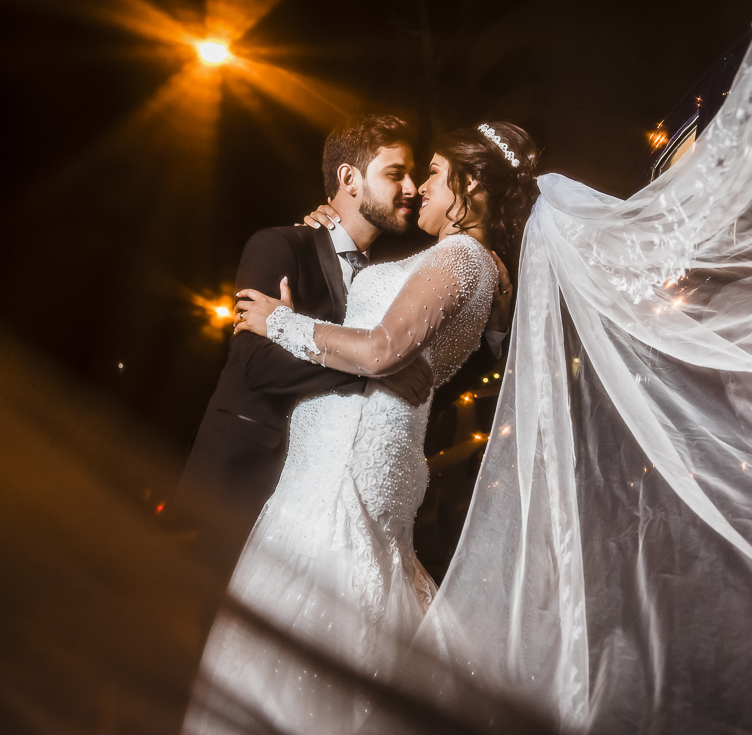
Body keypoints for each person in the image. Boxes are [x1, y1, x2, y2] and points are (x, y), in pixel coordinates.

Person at [182, 122, 540, 735]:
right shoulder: (461, 264)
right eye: (402, 173)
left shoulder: (460, 257)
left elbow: (378, 351)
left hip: (348, 460)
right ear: (348, 180)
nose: (417, 188)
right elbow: (370, 355)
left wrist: (280, 322)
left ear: (470, 184)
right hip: (342, 455)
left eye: (428, 173)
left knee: (322, 621)